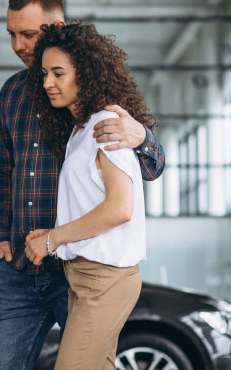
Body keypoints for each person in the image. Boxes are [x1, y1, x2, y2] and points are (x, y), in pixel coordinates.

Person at [0, 0, 165, 370]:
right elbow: (3, 168)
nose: (17, 45)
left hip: (74, 264)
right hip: (18, 266)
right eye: (11, 34)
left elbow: (147, 170)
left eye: (28, 34)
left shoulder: (95, 102)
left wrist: (142, 136)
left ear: (55, 28)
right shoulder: (11, 94)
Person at [24, 22, 153, 369]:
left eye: (58, 73)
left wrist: (53, 238)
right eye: (45, 73)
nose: (48, 82)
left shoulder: (106, 125)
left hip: (105, 279)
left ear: (86, 74)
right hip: (85, 276)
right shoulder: (80, 129)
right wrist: (56, 237)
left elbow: (119, 208)